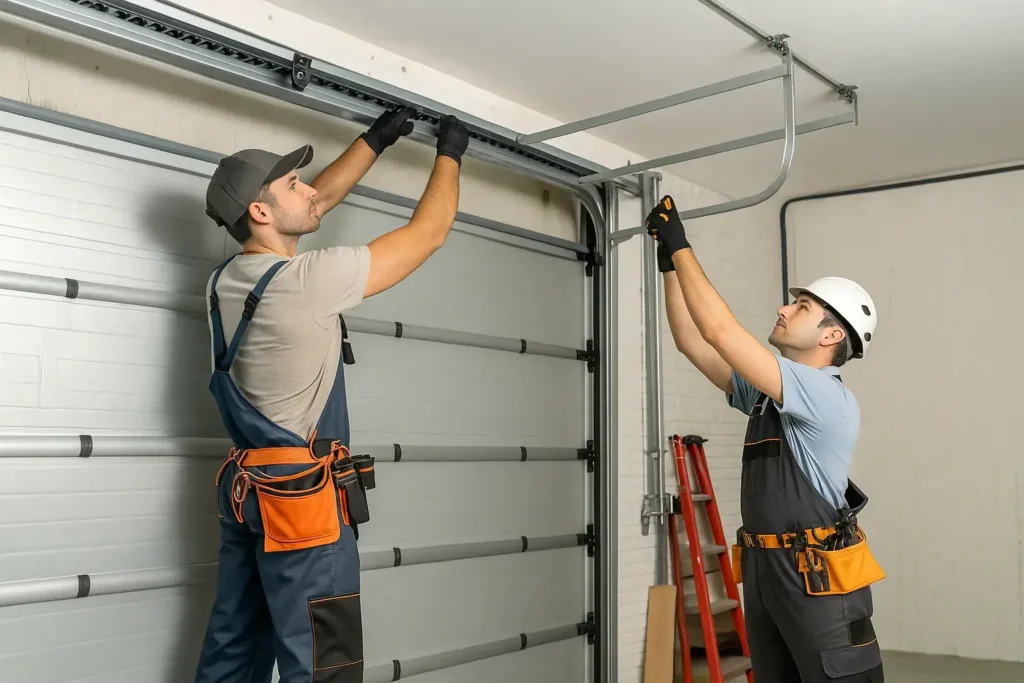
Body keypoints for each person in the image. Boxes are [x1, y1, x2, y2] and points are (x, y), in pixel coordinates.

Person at [193, 108, 470, 683]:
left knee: (234, 651)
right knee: (325, 665)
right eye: (293, 183)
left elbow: (312, 206)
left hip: (249, 493)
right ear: (262, 211)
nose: (311, 191)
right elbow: (429, 233)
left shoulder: (225, 281)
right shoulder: (306, 282)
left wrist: (374, 142)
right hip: (303, 508)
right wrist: (451, 153)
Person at [645, 196, 885, 683]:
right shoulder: (768, 395)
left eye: (800, 307)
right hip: (762, 571)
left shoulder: (823, 396)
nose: (783, 309)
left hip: (816, 579)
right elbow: (692, 340)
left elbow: (718, 330)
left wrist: (682, 245)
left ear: (830, 335)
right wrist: (669, 265)